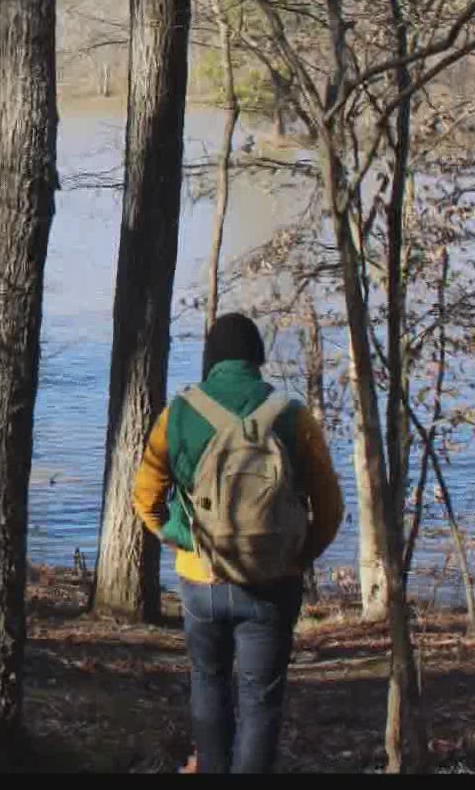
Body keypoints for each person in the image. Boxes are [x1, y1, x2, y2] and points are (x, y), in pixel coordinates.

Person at [132, 312, 343, 774]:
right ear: (258, 359)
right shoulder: (292, 416)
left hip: (201, 580)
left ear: (210, 360)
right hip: (273, 582)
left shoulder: (178, 414)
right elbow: (330, 510)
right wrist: (296, 555)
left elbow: (145, 500)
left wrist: (187, 540)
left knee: (208, 683)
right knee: (260, 700)